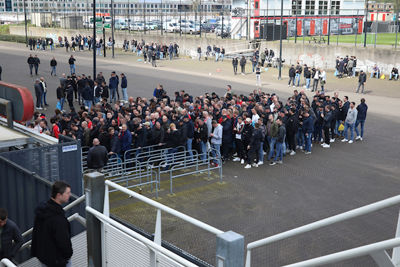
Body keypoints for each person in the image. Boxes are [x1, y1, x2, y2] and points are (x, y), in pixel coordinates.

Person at [31, 181, 73, 267]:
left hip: (44, 258)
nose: (70, 195)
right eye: (67, 193)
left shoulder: (43, 210)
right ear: (58, 195)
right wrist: (68, 255)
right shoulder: (58, 218)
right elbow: (63, 241)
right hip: (57, 261)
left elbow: (36, 232)